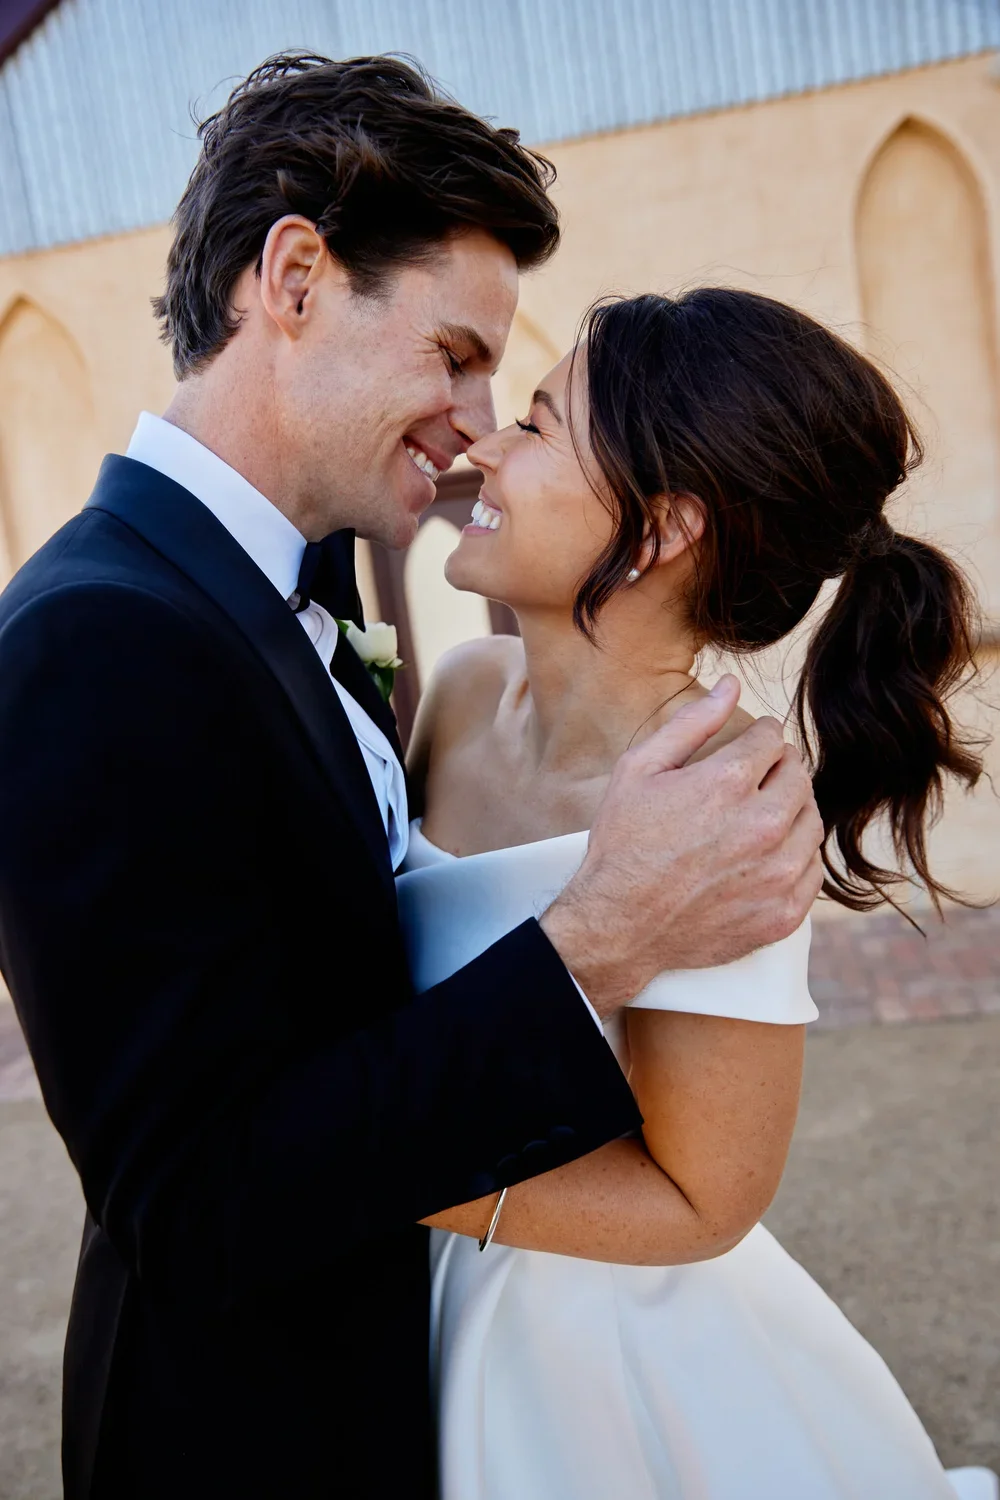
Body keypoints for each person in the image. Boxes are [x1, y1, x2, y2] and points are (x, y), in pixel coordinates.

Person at [0, 57, 822, 1500]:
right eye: (453, 354)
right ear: (295, 280)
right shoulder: (92, 641)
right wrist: (595, 937)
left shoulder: (280, 587)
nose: (473, 421)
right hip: (250, 1443)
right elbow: (190, 1203)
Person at [398, 288, 986, 1499]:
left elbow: (703, 1199)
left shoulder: (726, 806)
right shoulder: (458, 694)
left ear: (659, 529)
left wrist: (361, 1171)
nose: (484, 448)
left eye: (538, 426)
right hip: (398, 1294)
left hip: (592, 1369)